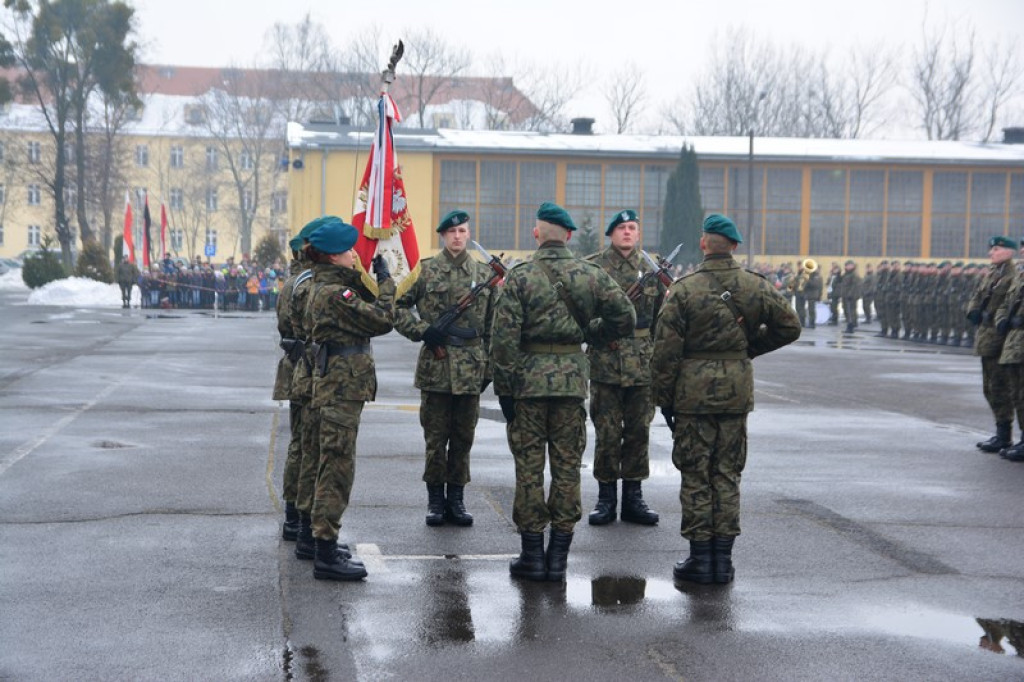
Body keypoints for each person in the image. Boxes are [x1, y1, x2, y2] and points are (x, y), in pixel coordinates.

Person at [652, 214, 801, 584]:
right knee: (728, 474)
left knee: (696, 475)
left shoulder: (684, 290)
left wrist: (664, 399)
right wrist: (747, 349)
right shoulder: (755, 286)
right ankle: (724, 561)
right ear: (734, 245)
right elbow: (790, 326)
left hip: (693, 395)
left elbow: (665, 352)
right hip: (735, 393)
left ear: (704, 244)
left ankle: (700, 559)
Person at [491, 202, 635, 582]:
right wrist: (591, 333)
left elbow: (503, 340)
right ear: (569, 236)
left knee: (529, 469)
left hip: (528, 385)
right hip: (572, 383)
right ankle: (559, 558)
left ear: (536, 233)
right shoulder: (590, 274)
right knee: (567, 467)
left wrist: (504, 390)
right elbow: (626, 317)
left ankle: (532, 556)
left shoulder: (520, 277)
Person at [307, 217, 396, 581]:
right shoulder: (333, 294)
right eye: (347, 250)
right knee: (336, 469)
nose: (352, 254)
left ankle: (324, 543)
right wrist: (387, 281)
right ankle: (325, 552)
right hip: (341, 390)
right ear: (331, 257)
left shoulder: (331, 285)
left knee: (332, 464)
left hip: (340, 388)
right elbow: (383, 318)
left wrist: (364, 276)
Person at [395, 209, 496, 527]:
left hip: (470, 365)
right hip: (437, 367)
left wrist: (489, 369)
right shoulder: (424, 270)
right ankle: (436, 501)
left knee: (464, 437)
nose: (457, 236)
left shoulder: (483, 274)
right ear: (443, 235)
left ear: (468, 234)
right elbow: (395, 307)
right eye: (452, 232)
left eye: (463, 231)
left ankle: (457, 499)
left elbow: (493, 325)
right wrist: (422, 330)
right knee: (436, 439)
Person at [583, 209, 663, 527]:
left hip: (642, 364)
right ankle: (605, 499)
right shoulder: (593, 267)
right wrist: (604, 333)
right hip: (606, 361)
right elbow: (583, 318)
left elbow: (661, 320)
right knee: (606, 433)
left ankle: (634, 498)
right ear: (611, 234)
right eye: (621, 228)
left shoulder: (652, 270)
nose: (627, 232)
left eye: (632, 227)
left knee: (638, 432)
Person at [274, 234, 309, 542]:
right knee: (305, 446)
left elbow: (283, 327)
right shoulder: (304, 283)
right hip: (308, 369)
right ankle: (299, 517)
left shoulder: (292, 281)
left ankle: (293, 517)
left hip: (296, 367)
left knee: (298, 444)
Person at [967, 236, 1017, 454]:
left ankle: (1005, 436)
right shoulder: (992, 274)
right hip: (987, 336)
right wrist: (973, 311)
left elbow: (1009, 306)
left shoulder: (1012, 276)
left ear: (1009, 251)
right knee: (989, 387)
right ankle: (1000, 433)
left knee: (1001, 388)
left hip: (1001, 337)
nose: (991, 253)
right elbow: (977, 296)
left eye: (996, 249)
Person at [840, 260, 862, 334]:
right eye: (846, 265)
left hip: (851, 296)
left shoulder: (854, 275)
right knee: (847, 311)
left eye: (849, 265)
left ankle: (851, 326)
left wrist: (851, 294)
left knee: (851, 311)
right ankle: (849, 324)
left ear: (852, 266)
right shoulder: (846, 274)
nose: (847, 267)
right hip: (845, 295)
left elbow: (855, 286)